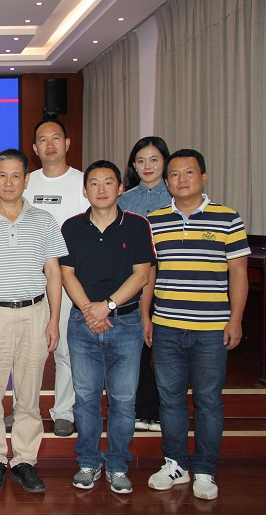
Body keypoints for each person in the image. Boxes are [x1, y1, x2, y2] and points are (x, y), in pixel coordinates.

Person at [145, 149, 249, 501]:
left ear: (204, 177)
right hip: (166, 326)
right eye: (174, 174)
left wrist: (235, 319)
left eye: (189, 173)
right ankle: (175, 464)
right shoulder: (155, 221)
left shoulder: (228, 218)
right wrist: (146, 316)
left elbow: (238, 273)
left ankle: (205, 469)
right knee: (170, 400)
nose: (181, 180)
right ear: (167, 182)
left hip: (211, 328)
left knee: (208, 401)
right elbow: (149, 275)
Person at [0, 149, 66, 494]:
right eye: (2, 175)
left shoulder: (44, 220)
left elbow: (53, 272)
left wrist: (53, 319)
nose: (9, 182)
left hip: (35, 314)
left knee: (28, 394)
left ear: (26, 179)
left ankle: (24, 460)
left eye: (16, 175)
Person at [60, 160, 156, 494]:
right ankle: (88, 461)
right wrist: (90, 311)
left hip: (126, 323)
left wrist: (108, 306)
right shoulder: (72, 227)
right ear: (85, 190)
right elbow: (67, 274)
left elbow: (142, 274)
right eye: (94, 183)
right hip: (81, 323)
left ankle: (116, 465)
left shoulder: (137, 225)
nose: (101, 189)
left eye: (108, 182)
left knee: (123, 401)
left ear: (120, 188)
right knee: (85, 398)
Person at [20, 119, 89, 437]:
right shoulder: (26, 181)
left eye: (56, 138)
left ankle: (63, 411)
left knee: (65, 350)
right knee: (27, 351)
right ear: (34, 148)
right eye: (43, 140)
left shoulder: (83, 182)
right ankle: (24, 409)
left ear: (67, 143)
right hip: (29, 280)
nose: (50, 145)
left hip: (68, 279)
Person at [118, 137, 172, 432]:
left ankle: (167, 410)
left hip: (171, 283)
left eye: (153, 159)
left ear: (165, 161)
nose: (147, 166)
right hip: (134, 283)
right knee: (137, 348)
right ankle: (145, 408)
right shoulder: (124, 201)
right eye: (140, 161)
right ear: (133, 166)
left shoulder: (177, 196)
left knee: (165, 351)